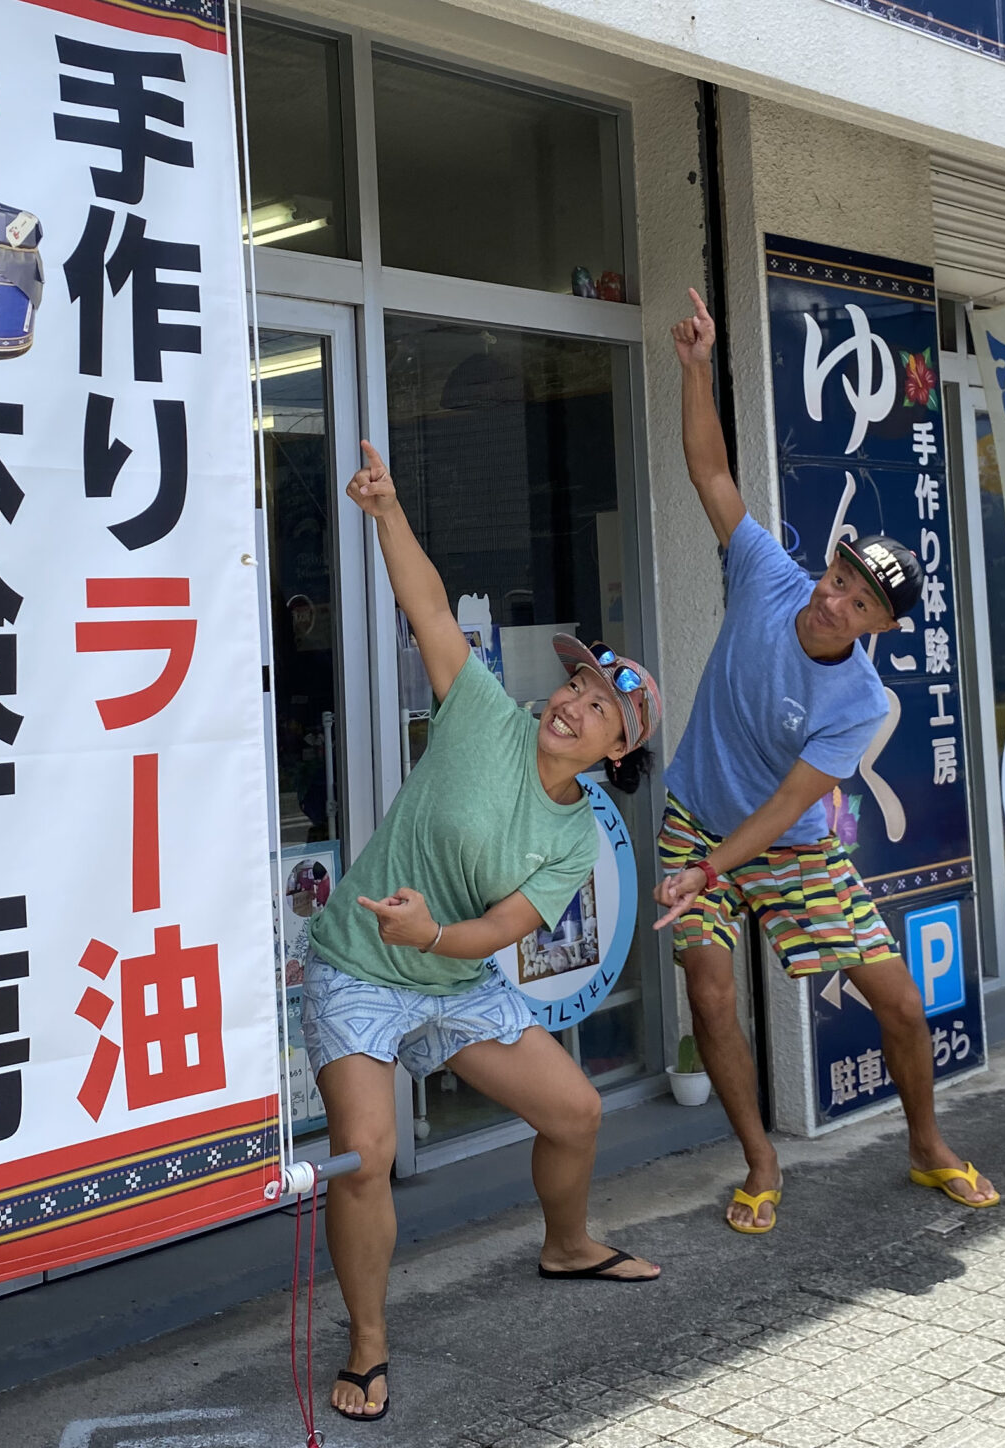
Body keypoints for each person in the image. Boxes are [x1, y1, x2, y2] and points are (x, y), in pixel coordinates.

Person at [303, 440, 664, 1424]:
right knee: (365, 1152)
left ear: (614, 753)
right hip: (356, 968)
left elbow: (494, 934)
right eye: (576, 688)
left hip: (450, 975)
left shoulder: (574, 839)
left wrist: (430, 937)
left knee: (577, 1113)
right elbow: (426, 604)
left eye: (599, 710)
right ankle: (369, 1342)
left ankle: (568, 1244)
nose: (574, 704)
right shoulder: (482, 713)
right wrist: (385, 513)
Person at [659, 288, 999, 1235]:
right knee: (711, 985)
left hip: (781, 841)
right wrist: (695, 368)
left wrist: (711, 872)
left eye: (857, 604)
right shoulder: (771, 575)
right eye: (840, 579)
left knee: (895, 997)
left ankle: (927, 1145)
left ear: (880, 630)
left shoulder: (861, 704)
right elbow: (712, 473)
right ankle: (761, 1159)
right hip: (695, 812)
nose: (834, 602)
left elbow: (784, 809)